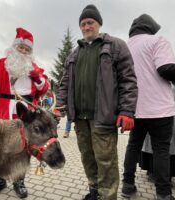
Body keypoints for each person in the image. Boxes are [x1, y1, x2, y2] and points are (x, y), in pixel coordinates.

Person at [56, 4, 138, 200]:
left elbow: (128, 80)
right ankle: (94, 190)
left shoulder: (115, 46)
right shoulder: (75, 54)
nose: (86, 27)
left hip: (103, 117)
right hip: (80, 119)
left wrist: (127, 111)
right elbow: (65, 82)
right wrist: (60, 105)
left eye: (90, 22)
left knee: (106, 161)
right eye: (82, 24)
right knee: (88, 158)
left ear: (99, 23)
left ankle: (107, 196)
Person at [0, 27, 49, 199]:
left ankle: (19, 180)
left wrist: (36, 76)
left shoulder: (33, 68)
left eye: (27, 49)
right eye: (21, 47)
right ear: (14, 47)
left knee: (24, 148)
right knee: (1, 146)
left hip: (25, 112)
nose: (24, 51)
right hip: (3, 109)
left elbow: (44, 89)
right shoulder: (1, 63)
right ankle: (0, 179)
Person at [121, 14, 175, 200]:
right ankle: (163, 194)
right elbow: (165, 68)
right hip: (160, 109)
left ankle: (127, 185)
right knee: (161, 151)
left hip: (134, 108)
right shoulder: (157, 41)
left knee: (133, 146)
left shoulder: (126, 46)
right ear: (151, 27)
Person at [140, 84, 175, 183]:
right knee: (159, 145)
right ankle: (157, 175)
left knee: (165, 145)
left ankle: (161, 174)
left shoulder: (171, 85)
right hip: (158, 112)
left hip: (168, 112)